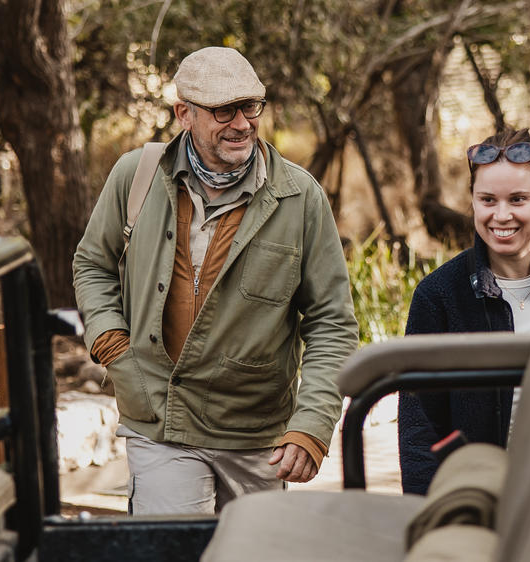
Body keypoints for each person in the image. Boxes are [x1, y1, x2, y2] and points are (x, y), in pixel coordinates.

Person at [72, 46, 358, 514]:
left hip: (256, 433)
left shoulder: (301, 197)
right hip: (159, 421)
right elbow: (93, 264)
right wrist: (112, 345)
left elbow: (332, 322)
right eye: (224, 110)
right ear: (184, 113)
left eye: (251, 106)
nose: (243, 123)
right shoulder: (136, 176)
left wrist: (312, 423)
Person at [397, 128, 530, 494]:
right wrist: (433, 516)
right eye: (487, 200)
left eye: (517, 199)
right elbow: (419, 431)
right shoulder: (439, 295)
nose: (502, 216)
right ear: (473, 200)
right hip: (483, 497)